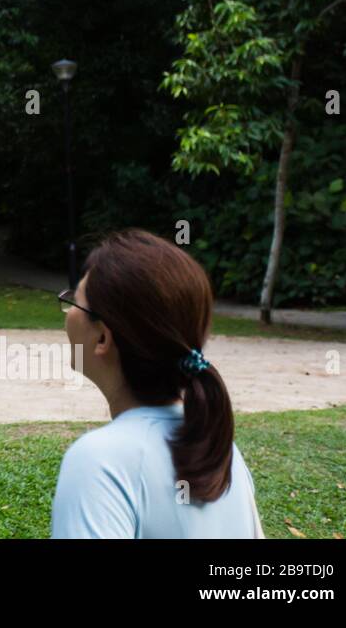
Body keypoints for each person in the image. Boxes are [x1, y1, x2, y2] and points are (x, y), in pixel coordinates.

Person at [50, 229, 264, 538]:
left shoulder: (99, 461)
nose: (68, 312)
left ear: (102, 338)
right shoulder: (219, 449)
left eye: (76, 302)